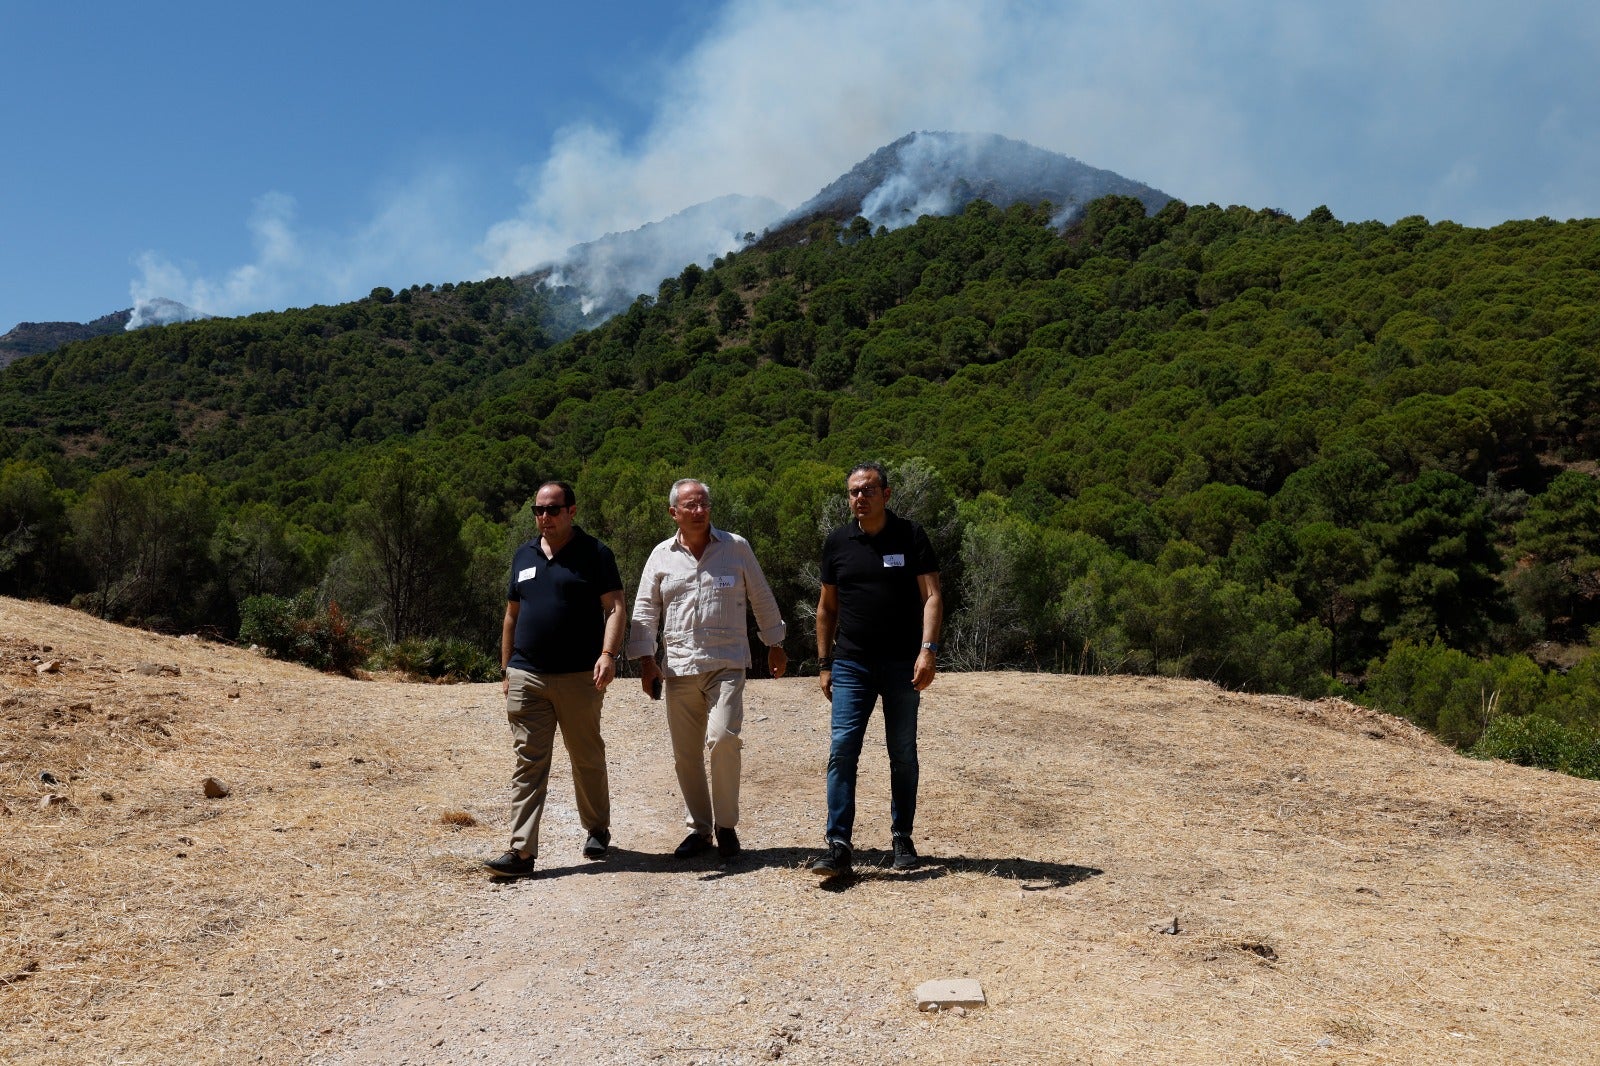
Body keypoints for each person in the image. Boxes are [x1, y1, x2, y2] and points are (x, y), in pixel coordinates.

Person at [628, 478, 788, 861]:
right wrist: (647, 662)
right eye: (690, 505)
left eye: (704, 504)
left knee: (723, 739)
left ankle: (726, 826)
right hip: (680, 666)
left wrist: (775, 643)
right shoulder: (661, 556)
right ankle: (700, 829)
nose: (699, 511)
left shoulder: (736, 547)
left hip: (727, 663)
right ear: (674, 513)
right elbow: (645, 611)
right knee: (685, 754)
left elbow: (761, 595)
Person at [486, 480, 626, 878]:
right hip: (527, 675)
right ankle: (521, 852)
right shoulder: (523, 555)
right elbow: (512, 613)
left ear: (572, 511)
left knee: (586, 758)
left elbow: (615, 607)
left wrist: (607, 654)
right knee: (528, 763)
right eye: (538, 510)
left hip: (580, 675)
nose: (544, 517)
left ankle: (597, 829)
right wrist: (506, 668)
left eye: (553, 509)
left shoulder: (595, 553)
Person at [811, 462, 943, 878]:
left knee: (902, 753)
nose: (859, 498)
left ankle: (902, 836)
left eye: (868, 490)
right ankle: (838, 845)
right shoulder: (837, 543)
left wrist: (928, 650)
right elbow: (826, 608)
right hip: (851, 664)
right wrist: (824, 663)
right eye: (853, 492)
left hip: (904, 663)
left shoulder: (911, 536)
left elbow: (932, 596)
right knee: (842, 750)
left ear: (886, 494)